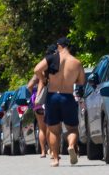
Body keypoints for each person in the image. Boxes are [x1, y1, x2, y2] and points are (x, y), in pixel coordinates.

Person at [34, 37, 85, 167]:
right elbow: (81, 82)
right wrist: (69, 80)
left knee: (54, 130)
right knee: (72, 128)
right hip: (67, 96)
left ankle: (55, 159)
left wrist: (44, 79)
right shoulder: (77, 62)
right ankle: (72, 145)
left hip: (53, 96)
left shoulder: (52, 58)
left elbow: (36, 69)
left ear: (59, 46)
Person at [28, 44, 58, 158]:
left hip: (38, 101)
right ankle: (51, 150)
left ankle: (42, 151)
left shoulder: (41, 71)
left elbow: (29, 85)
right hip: (50, 99)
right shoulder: (55, 68)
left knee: (41, 127)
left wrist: (34, 95)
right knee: (51, 126)